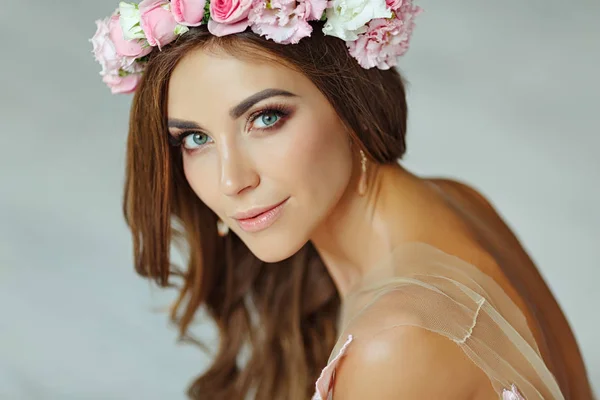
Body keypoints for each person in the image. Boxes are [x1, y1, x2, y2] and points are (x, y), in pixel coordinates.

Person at [90, 1, 595, 399]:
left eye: (266, 118)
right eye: (195, 139)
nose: (230, 181)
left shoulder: (394, 342)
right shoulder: (452, 201)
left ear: (350, 101)